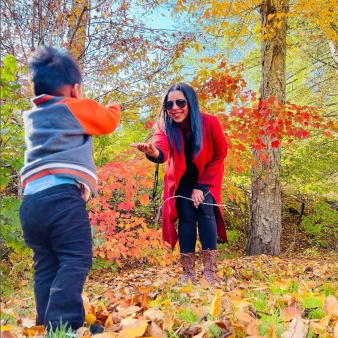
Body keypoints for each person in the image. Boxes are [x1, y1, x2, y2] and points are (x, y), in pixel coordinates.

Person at [19, 46, 121, 333]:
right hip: (62, 198)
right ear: (75, 89)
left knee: (46, 263)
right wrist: (114, 107)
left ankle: (46, 323)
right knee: (75, 257)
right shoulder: (74, 106)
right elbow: (108, 121)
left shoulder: (33, 117)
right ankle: (63, 324)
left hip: (30, 202)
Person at [131, 82, 228, 286]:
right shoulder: (164, 126)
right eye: (169, 104)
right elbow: (161, 150)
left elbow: (220, 155)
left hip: (207, 176)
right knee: (186, 216)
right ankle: (189, 273)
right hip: (181, 180)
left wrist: (201, 187)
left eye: (180, 102)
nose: (175, 108)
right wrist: (152, 152)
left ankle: (210, 271)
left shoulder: (209, 122)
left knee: (206, 211)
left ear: (190, 102)